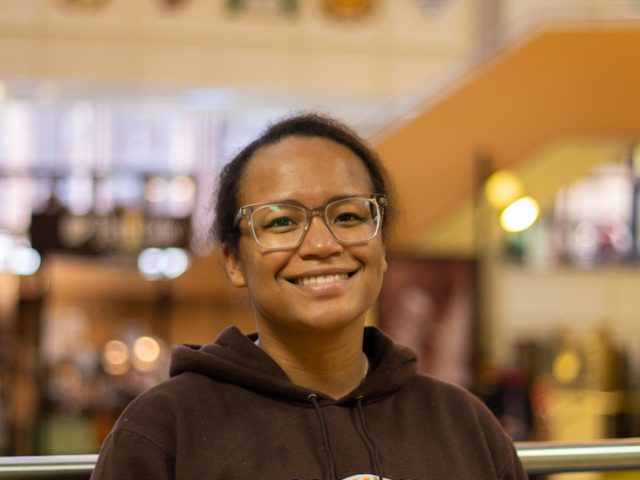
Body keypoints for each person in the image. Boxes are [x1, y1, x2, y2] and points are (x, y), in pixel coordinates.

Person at [91, 113, 528, 479]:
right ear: (233, 261)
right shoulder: (165, 430)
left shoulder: (464, 426)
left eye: (349, 215)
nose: (321, 245)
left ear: (382, 246)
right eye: (281, 222)